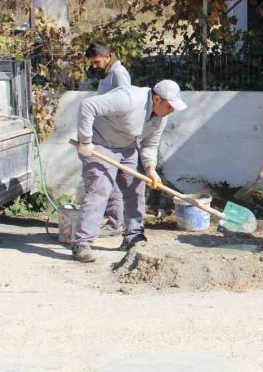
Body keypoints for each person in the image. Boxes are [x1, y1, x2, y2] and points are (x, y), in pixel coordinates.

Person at [72, 81, 186, 262]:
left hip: (127, 147)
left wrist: (151, 169)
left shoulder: (161, 117)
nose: (172, 111)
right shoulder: (129, 99)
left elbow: (150, 144)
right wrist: (85, 141)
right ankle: (82, 243)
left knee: (135, 190)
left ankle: (133, 236)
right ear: (157, 99)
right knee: (100, 191)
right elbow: (88, 105)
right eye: (170, 106)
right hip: (99, 144)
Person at [84, 42, 132, 237]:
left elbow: (125, 103)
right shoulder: (108, 74)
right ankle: (115, 221)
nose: (94, 65)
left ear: (107, 56)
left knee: (109, 181)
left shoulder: (119, 74)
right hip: (104, 135)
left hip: (114, 138)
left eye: (96, 61)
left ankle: (118, 224)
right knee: (108, 181)